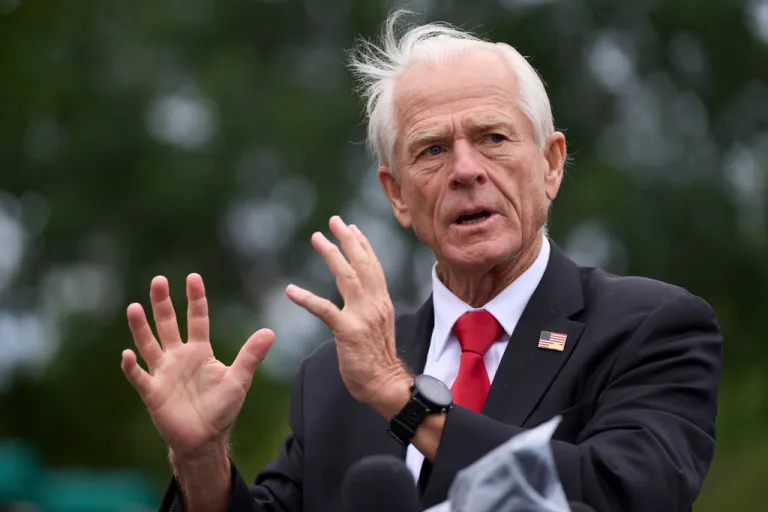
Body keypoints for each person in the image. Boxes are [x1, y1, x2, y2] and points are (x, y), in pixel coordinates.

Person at [120, 11, 723, 512]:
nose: (465, 170)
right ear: (398, 195)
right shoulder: (332, 380)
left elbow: (628, 494)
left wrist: (400, 397)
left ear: (551, 164)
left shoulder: (649, 328)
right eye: (432, 150)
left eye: (492, 137)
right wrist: (202, 460)